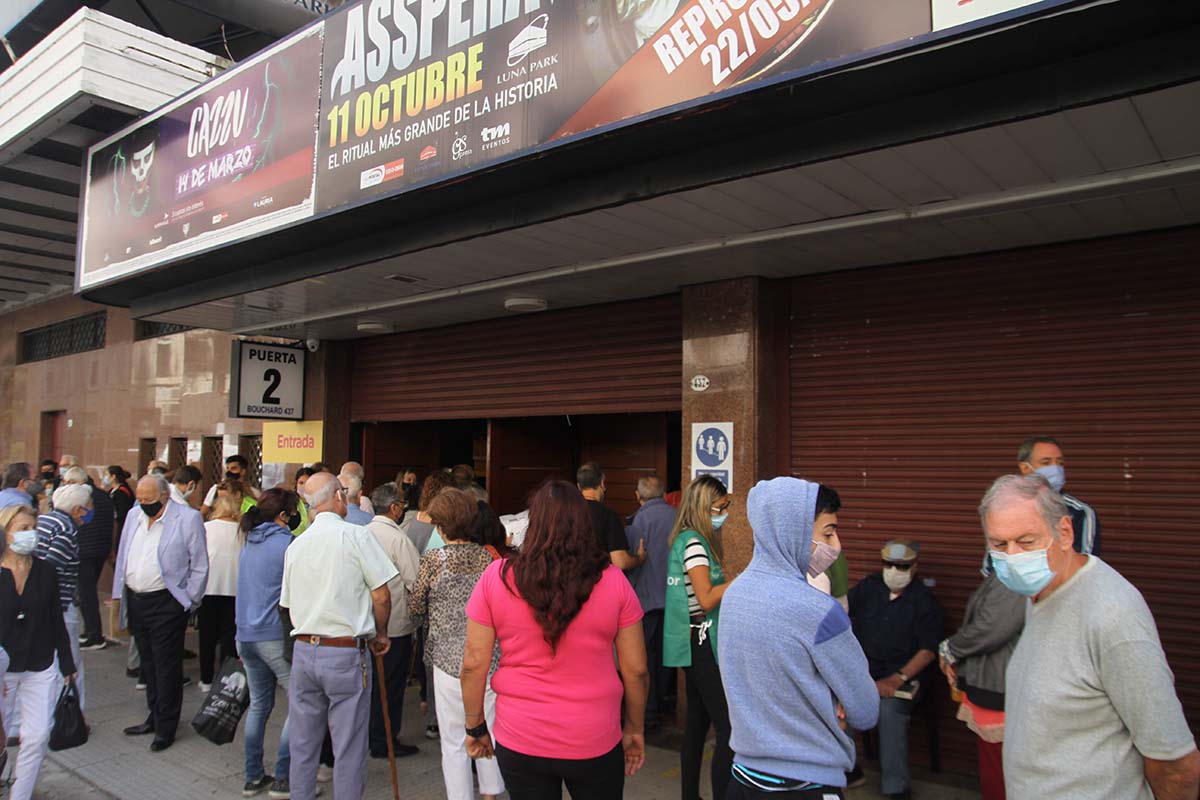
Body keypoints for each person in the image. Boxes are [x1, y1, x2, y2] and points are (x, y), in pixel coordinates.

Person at [981, 474, 1199, 799]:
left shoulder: (1112, 615)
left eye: (1026, 542)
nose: (1012, 558)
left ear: (1065, 533)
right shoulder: (1039, 591)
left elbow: (1177, 766)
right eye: (999, 545)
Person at [462, 480, 647, 800]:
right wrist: (634, 728)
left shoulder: (497, 577)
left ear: (533, 522)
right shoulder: (614, 581)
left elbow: (473, 662)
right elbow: (636, 670)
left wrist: (475, 725)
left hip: (521, 735)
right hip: (594, 736)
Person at [721, 479, 878, 799]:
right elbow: (865, 710)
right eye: (828, 533)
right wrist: (833, 701)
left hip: (742, 780)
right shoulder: (820, 611)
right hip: (808, 784)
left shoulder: (733, 595)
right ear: (793, 531)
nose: (836, 546)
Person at [279, 471, 397, 800]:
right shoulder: (356, 536)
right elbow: (381, 595)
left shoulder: (297, 545)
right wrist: (381, 633)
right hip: (345, 652)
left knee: (303, 743)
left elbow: (287, 604)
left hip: (305, 649)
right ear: (338, 498)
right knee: (348, 745)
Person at [408, 489, 503, 800]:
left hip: (447, 659)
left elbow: (415, 607)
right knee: (489, 728)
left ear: (441, 526)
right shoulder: (489, 558)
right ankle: (490, 794)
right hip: (488, 656)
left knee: (452, 740)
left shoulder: (434, 560)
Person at [114, 474, 209, 752]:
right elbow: (124, 552)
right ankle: (153, 716)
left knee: (166, 665)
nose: (144, 504)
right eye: (140, 499)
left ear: (165, 496)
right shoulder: (134, 516)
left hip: (167, 602)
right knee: (148, 663)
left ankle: (166, 727)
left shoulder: (187, 518)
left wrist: (189, 599)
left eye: (149, 499)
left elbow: (200, 563)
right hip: (136, 599)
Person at [847, 540, 943, 800]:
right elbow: (841, 610)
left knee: (889, 711)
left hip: (904, 677)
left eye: (901, 566)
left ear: (914, 567)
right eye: (888, 564)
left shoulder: (923, 601)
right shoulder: (869, 587)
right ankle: (849, 770)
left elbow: (927, 651)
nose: (893, 571)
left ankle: (896, 786)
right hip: (866, 673)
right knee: (839, 701)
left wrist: (897, 679)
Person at [0, 504, 77, 800]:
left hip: (40, 663)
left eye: (33, 528)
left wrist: (67, 663)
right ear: (6, 533)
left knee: (37, 736)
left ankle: (20, 795)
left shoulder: (45, 571)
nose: (30, 534)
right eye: (23, 528)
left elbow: (56, 617)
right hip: (4, 668)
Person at [664, 475, 733, 800]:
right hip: (702, 642)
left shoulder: (689, 540)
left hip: (695, 640)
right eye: (720, 508)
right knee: (728, 728)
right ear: (703, 508)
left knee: (696, 723)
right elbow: (705, 598)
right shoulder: (693, 544)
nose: (724, 514)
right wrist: (741, 582)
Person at [938, 561, 1024, 800]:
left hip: (1000, 687)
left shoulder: (1015, 577)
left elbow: (991, 628)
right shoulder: (1005, 572)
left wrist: (951, 649)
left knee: (999, 773)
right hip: (994, 683)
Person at [237, 489, 302, 798]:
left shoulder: (249, 540)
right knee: (299, 703)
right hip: (274, 636)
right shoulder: (287, 545)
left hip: (245, 635)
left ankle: (252, 776)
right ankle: (283, 777)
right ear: (284, 515)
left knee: (259, 705)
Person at [366, 482, 421, 759]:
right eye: (402, 504)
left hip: (367, 621)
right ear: (394, 508)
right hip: (394, 624)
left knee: (373, 684)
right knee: (391, 685)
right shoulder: (398, 539)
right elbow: (417, 581)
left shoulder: (362, 533)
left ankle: (374, 735)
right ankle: (385, 739)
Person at [623, 474, 675, 726]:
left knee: (646, 657)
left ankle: (650, 710)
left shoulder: (639, 521)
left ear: (638, 495)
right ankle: (668, 700)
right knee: (668, 655)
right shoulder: (677, 516)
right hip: (674, 599)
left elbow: (631, 561)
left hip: (645, 600)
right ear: (663, 494)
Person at [34, 482, 91, 712]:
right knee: (69, 664)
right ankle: (72, 716)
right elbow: (51, 568)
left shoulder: (44, 520)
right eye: (88, 507)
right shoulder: (67, 530)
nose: (90, 511)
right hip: (59, 605)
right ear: (77, 509)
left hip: (41, 604)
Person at [1016, 436, 1099, 555]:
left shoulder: (1080, 512)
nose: (1055, 468)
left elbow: (1086, 560)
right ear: (1025, 468)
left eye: (1060, 463)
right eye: (1046, 463)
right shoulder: (1007, 508)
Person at [199, 492, 241, 692]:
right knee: (229, 635)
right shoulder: (242, 531)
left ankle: (206, 679)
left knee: (206, 635)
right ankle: (225, 678)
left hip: (208, 587)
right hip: (234, 588)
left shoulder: (206, 528)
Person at [577, 462, 645, 572]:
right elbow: (620, 562)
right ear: (602, 483)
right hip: (598, 578)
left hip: (569, 579)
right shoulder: (609, 516)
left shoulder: (566, 513)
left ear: (579, 486)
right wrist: (640, 558)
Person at [106, 465, 135, 531]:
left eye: (107, 475)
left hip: (120, 525)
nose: (105, 477)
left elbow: (122, 511)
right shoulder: (112, 490)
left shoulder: (122, 491)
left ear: (113, 476)